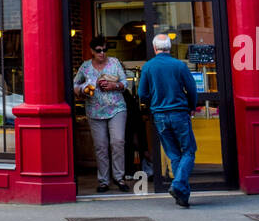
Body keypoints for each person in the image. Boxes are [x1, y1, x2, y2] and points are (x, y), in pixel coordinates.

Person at [138, 33, 198, 207]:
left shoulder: (148, 67)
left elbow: (142, 93)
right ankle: (178, 185)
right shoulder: (179, 65)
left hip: (160, 115)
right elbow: (192, 89)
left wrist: (153, 105)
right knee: (188, 151)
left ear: (155, 47)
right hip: (179, 113)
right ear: (170, 48)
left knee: (173, 154)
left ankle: (182, 196)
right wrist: (192, 106)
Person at [74, 37, 129, 193]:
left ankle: (119, 177)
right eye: (98, 50)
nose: (102, 53)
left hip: (116, 108)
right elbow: (75, 84)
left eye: (105, 50)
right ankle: (103, 180)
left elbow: (125, 83)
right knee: (101, 146)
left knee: (118, 142)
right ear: (92, 51)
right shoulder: (85, 67)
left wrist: (114, 85)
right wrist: (82, 90)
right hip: (94, 111)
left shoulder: (114, 63)